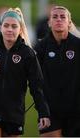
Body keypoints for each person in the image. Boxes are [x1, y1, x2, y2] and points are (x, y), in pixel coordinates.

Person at [0, 7, 50, 137]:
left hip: (14, 115)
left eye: (14, 26)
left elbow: (36, 86)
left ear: (20, 29)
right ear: (1, 27)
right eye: (6, 25)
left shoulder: (27, 54)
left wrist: (43, 112)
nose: (9, 29)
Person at [34, 6, 80, 137]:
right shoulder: (41, 47)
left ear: (69, 22)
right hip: (50, 112)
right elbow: (35, 81)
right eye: (54, 17)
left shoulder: (78, 45)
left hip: (76, 112)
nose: (58, 19)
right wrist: (42, 111)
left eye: (62, 17)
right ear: (49, 22)